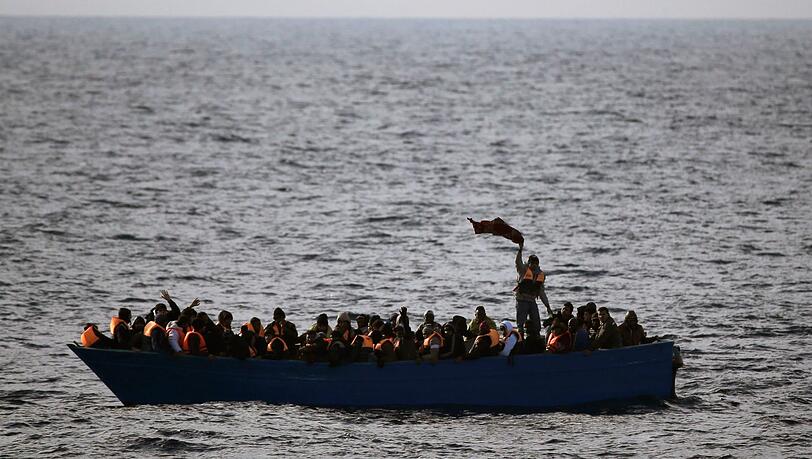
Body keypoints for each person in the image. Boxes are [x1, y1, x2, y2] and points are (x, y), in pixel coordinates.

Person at [514, 245, 552, 335]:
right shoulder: (523, 269)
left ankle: (536, 338)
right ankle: (521, 340)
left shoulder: (541, 275)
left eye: (536, 263)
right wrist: (520, 250)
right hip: (521, 300)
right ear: (529, 263)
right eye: (532, 263)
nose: (534, 265)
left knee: (536, 324)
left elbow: (541, 292)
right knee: (521, 324)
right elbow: (517, 262)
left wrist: (547, 306)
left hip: (532, 301)